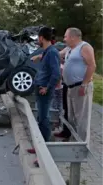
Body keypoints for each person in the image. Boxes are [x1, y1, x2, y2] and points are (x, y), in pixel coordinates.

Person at [54, 28, 96, 143]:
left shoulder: (85, 47)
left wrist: (84, 84)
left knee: (81, 118)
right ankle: (72, 141)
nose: (64, 39)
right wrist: (40, 56)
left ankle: (82, 145)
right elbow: (56, 55)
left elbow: (92, 66)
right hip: (70, 87)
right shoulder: (69, 48)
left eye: (65, 37)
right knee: (71, 117)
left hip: (80, 87)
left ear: (73, 37)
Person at [27, 27, 61, 156]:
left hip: (44, 91)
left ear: (41, 38)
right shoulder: (47, 51)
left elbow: (56, 73)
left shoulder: (51, 52)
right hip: (41, 88)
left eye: (38, 39)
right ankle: (39, 147)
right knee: (41, 118)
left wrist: (47, 87)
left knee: (44, 119)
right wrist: (38, 57)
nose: (37, 41)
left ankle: (44, 150)